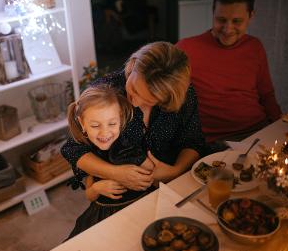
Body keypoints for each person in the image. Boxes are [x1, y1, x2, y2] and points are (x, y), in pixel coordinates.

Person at [61, 41, 206, 192]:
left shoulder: (183, 95)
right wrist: (116, 173)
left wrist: (174, 172)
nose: (135, 103)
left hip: (171, 181)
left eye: (149, 100)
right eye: (133, 89)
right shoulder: (106, 92)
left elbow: (193, 140)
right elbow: (73, 149)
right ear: (133, 65)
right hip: (122, 188)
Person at [176, 0, 281, 149]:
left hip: (258, 133)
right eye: (221, 20)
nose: (228, 29)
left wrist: (280, 126)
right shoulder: (186, 48)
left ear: (251, 16)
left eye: (237, 21)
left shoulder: (255, 47)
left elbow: (267, 95)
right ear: (213, 13)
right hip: (213, 142)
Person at [65, 84, 155, 239]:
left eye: (112, 124)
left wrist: (147, 175)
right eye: (95, 125)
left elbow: (153, 172)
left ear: (120, 120)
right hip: (105, 213)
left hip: (141, 205)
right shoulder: (88, 155)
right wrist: (98, 188)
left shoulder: (129, 146)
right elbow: (89, 194)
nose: (105, 132)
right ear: (82, 123)